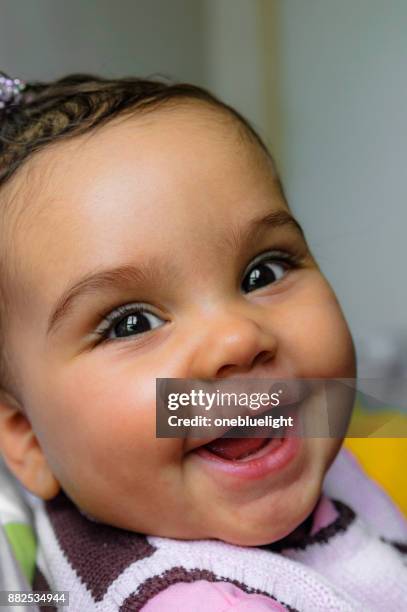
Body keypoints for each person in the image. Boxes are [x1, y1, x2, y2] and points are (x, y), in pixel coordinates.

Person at [0, 72, 405, 611]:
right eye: (132, 323)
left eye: (262, 273)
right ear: (27, 436)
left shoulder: (308, 447)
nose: (237, 339)